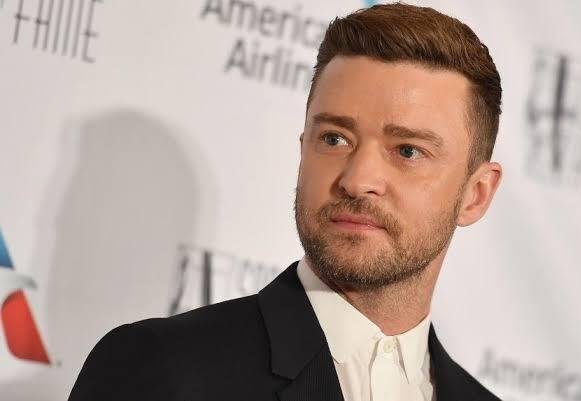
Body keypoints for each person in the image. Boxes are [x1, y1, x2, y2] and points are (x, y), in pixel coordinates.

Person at [68, 3, 503, 401]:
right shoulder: (164, 369)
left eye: (407, 151)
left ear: (476, 194)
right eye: (334, 139)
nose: (357, 180)